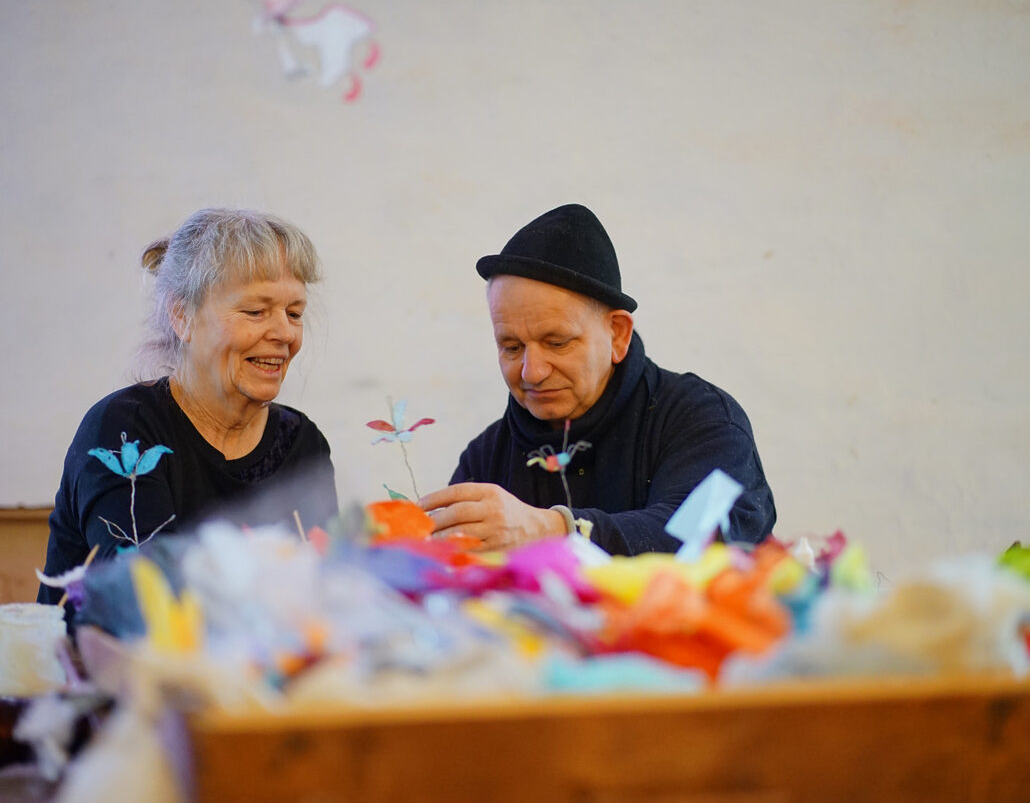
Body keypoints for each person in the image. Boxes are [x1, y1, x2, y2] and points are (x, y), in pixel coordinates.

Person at [419, 204, 775, 555]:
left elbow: (700, 540)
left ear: (617, 334)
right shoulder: (486, 456)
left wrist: (555, 530)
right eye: (511, 347)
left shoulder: (701, 419)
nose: (532, 372)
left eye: (556, 343)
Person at [38, 208, 338, 604]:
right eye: (255, 311)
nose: (284, 332)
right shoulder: (126, 432)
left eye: (294, 313)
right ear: (182, 316)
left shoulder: (302, 443)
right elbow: (145, 597)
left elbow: (326, 591)